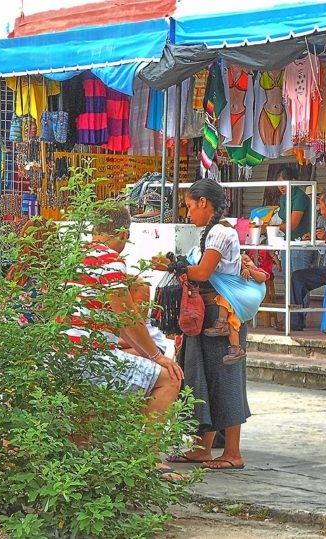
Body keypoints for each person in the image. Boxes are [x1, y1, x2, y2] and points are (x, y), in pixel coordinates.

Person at [63, 204, 185, 480]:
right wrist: (156, 356)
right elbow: (128, 319)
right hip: (88, 356)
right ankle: (148, 459)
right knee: (168, 377)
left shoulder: (73, 255)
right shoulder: (107, 259)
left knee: (93, 403)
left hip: (62, 355)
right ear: (122, 232)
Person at [165, 178, 250, 470]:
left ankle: (233, 453)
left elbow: (202, 272)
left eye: (190, 206)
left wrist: (176, 267)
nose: (189, 214)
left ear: (204, 203)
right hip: (207, 314)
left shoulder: (220, 235)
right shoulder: (211, 233)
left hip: (221, 315)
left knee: (226, 380)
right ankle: (203, 448)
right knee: (204, 378)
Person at [278, 188, 326, 333]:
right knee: (298, 277)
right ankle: (295, 320)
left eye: (320, 203)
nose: (319, 208)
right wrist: (315, 238)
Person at [204, 253, 269, 364]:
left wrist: (249, 271)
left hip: (245, 302)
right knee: (232, 321)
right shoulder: (235, 276)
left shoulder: (259, 271)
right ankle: (235, 348)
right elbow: (229, 285)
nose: (245, 263)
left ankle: (221, 324)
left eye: (247, 260)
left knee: (225, 298)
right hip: (235, 303)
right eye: (241, 262)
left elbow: (262, 278)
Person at [272, 165, 314, 273]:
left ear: (292, 181)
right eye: (279, 184)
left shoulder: (300, 197)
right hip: (287, 243)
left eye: (283, 184)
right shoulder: (283, 198)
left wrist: (271, 228)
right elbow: (283, 219)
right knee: (288, 282)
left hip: (300, 244)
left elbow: (292, 225)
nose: (281, 187)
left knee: (299, 282)